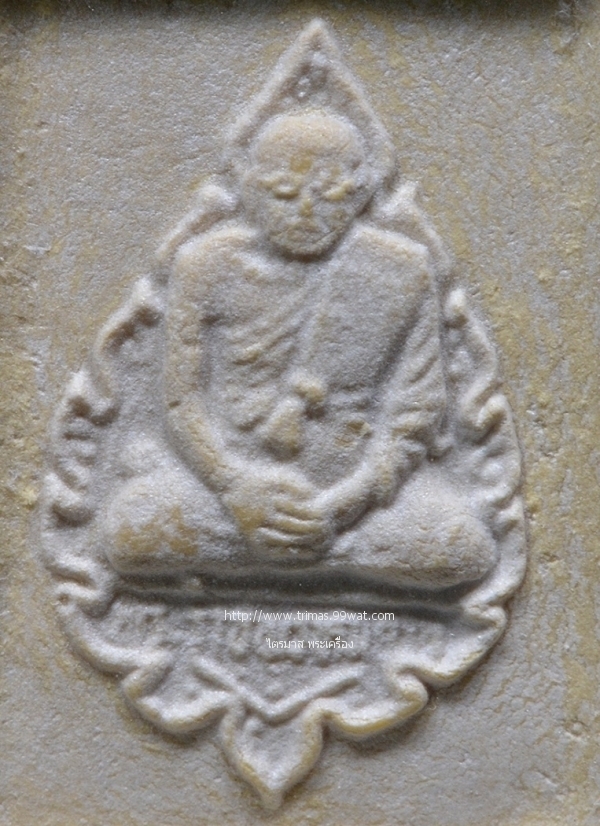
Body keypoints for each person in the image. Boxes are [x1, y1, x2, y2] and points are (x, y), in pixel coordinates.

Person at [105, 111, 496, 590]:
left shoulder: (400, 268)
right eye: (284, 193)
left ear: (361, 193)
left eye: (329, 194)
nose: (307, 212)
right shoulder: (206, 264)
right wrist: (234, 485)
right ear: (248, 189)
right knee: (128, 533)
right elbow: (181, 404)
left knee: (463, 549)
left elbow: (417, 412)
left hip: (354, 501)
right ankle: (321, 567)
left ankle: (288, 559)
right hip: (226, 493)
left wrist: (343, 505)